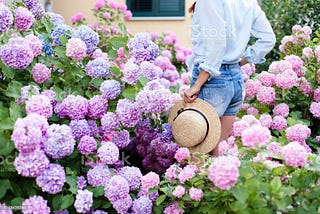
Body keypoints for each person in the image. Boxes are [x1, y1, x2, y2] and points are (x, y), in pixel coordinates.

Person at [184, 0, 276, 156]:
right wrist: (240, 61)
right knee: (217, 155)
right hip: (235, 80)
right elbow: (268, 39)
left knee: (198, 155)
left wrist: (198, 83)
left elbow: (216, 44)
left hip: (212, 81)